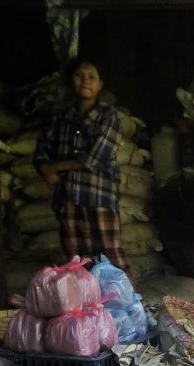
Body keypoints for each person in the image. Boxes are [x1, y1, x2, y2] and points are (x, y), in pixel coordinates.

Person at [33, 57, 126, 270]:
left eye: (91, 77)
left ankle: (122, 301)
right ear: (71, 82)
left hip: (99, 197)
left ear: (100, 84)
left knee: (111, 257)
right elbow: (41, 151)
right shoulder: (61, 118)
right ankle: (85, 302)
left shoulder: (108, 116)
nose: (85, 81)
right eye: (79, 76)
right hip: (67, 197)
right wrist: (46, 170)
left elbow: (95, 158)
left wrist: (55, 167)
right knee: (75, 261)